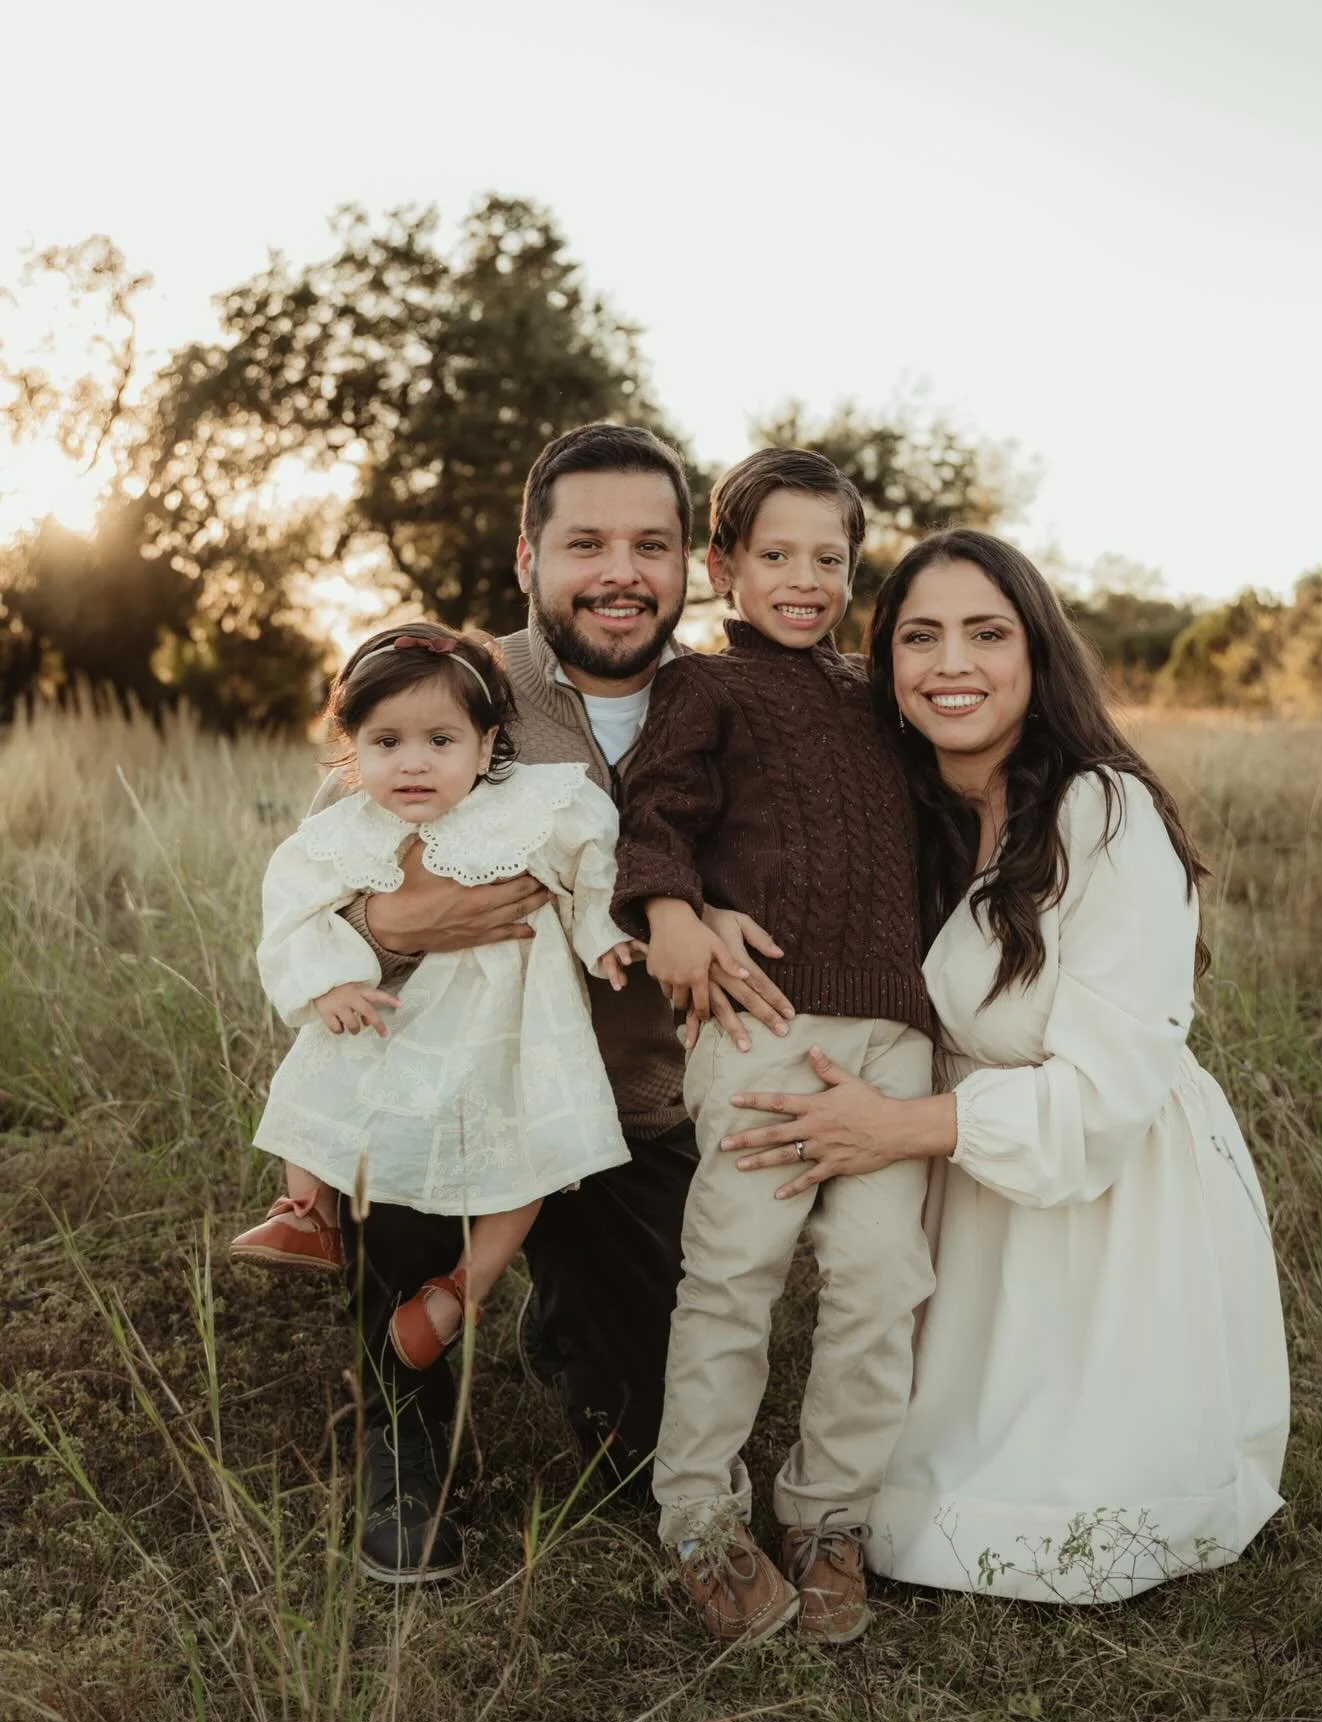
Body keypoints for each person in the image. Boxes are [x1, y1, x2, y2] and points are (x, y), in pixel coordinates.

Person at [717, 529, 1290, 1604]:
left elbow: (1111, 1085)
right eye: (920, 637)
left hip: (1109, 1191)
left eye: (987, 633)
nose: (952, 665)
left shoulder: (1102, 812)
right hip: (964, 1194)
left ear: (1038, 654)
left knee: (1056, 1520)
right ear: (884, 666)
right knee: (895, 1502)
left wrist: (898, 1128)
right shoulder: (901, 807)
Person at [303, 425, 793, 1585]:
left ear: (692, 566)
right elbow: (327, 871)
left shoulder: (733, 699)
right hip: (459, 1078)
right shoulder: (460, 684)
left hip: (637, 1106)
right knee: (403, 1127)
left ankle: (559, 1314)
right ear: (529, 556)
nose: (620, 571)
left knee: (634, 1450)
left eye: (651, 545)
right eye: (586, 543)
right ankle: (403, 1429)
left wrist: (712, 908)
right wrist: (389, 928)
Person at [611, 448, 936, 1646]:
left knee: (881, 1278)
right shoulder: (705, 687)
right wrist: (673, 910)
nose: (805, 580)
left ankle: (829, 1513)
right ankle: (699, 1513)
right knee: (736, 1268)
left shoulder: (878, 689)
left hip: (894, 1040)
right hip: (762, 1024)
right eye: (778, 555)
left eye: (831, 559)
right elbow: (655, 819)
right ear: (724, 565)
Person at [233, 623, 640, 1407]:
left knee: (534, 1157)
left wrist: (604, 939)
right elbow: (291, 919)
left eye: (440, 739)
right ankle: (307, 1210)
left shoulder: (536, 804)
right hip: (397, 1021)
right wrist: (326, 986)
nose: (413, 761)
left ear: (485, 748)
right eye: (386, 741)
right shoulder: (341, 831)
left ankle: (462, 1290)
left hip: (515, 1031)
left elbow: (594, 868)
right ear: (353, 748)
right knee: (317, 1091)